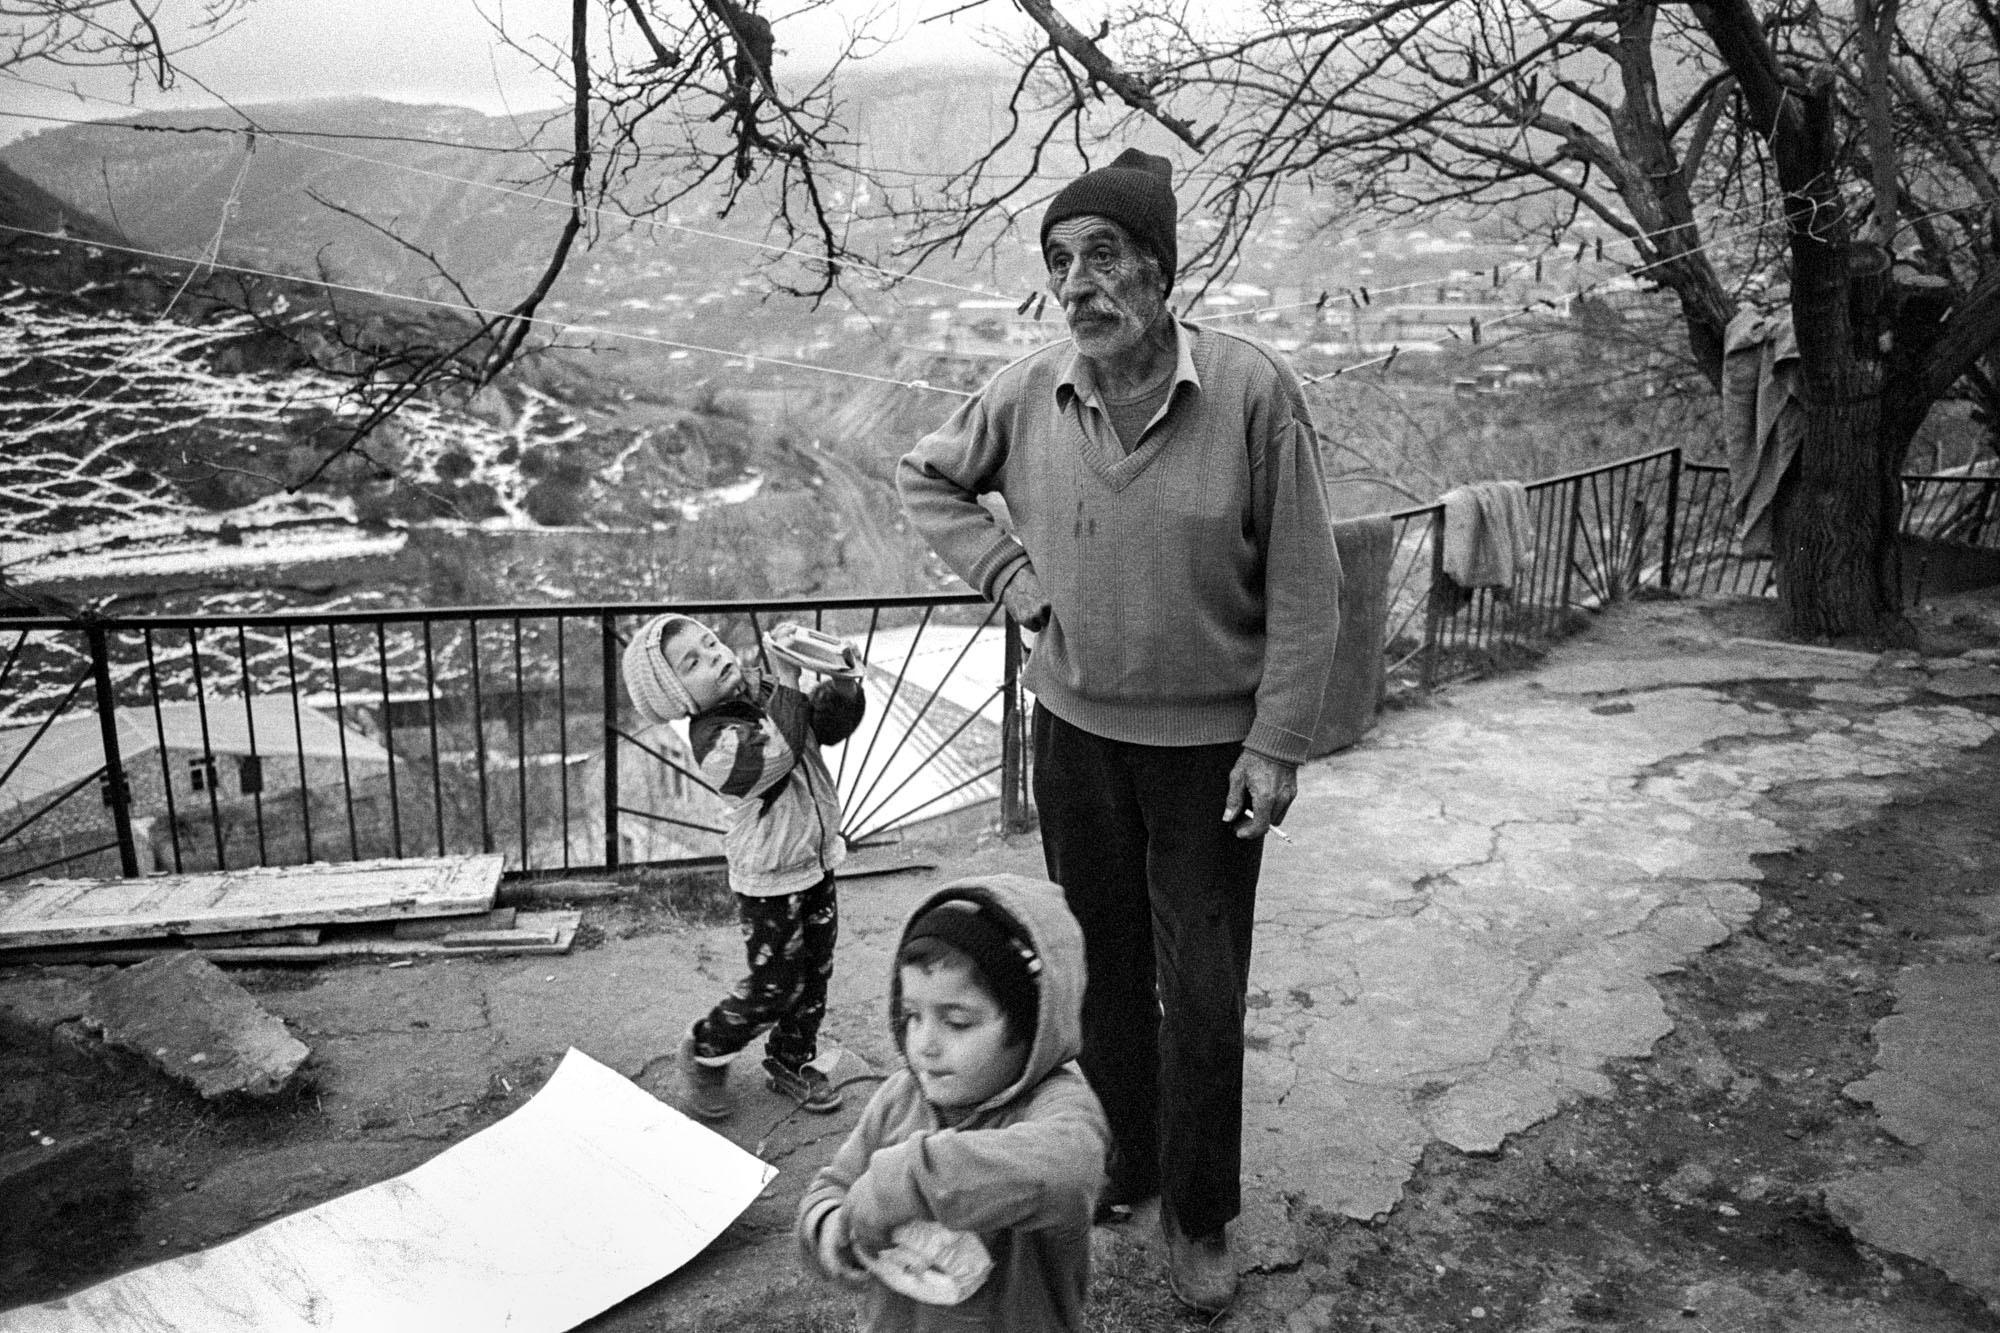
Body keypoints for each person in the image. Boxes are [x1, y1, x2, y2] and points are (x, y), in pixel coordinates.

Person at [895, 147, 1343, 1312]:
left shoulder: (1249, 392)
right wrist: (1008, 572)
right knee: (1098, 974)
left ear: (1158, 268)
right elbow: (925, 477)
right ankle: (1124, 1160)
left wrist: (1277, 739)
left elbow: (1306, 581)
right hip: (1077, 735)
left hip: (1207, 754)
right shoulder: (1030, 391)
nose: (1076, 284)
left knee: (1202, 990)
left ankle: (1200, 1212)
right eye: (1057, 261)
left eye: (1100, 255)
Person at [797, 873, 1108, 1332]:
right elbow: (831, 1188)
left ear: (1031, 1027)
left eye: (957, 1022)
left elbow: (1067, 1171)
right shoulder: (899, 1098)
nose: (924, 1044)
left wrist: (912, 1180)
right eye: (912, 1016)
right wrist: (828, 1226)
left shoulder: (1058, 1107)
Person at [621, 613, 866, 1119]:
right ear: (678, 695)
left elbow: (824, 727)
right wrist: (793, 686)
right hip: (770, 876)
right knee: (775, 983)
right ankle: (706, 1051)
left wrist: (840, 684)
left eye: (710, 644)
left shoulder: (765, 690)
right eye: (693, 662)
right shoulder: (713, 737)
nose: (714, 656)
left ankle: (790, 1059)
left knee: (814, 974)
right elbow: (776, 756)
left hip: (814, 860)